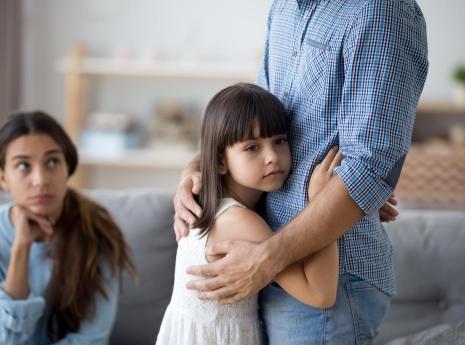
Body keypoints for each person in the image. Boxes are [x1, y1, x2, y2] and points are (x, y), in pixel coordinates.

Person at [174, 0, 429, 344]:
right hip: (271, 264)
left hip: (326, 275)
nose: (271, 157)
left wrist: (266, 258)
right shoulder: (283, 10)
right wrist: (195, 170)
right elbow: (255, 121)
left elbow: (369, 168)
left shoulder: (379, 10)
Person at [156, 83, 342, 345]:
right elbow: (320, 294)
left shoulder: (215, 200)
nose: (272, 157)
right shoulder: (239, 221)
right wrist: (325, 201)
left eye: (279, 141)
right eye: (252, 147)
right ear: (221, 161)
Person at [0, 111, 137, 345]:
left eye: (52, 162)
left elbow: (92, 339)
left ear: (68, 167)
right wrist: (21, 248)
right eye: (23, 166)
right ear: (3, 179)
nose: (41, 179)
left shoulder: (98, 232)